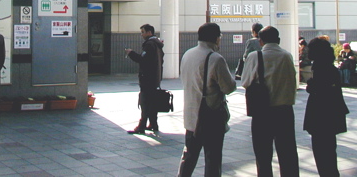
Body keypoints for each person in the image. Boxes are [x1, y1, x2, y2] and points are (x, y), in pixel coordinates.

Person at [177, 22, 236, 176]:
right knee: (212, 159)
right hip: (210, 116)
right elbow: (229, 87)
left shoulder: (187, 54)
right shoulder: (215, 59)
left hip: (191, 116)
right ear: (216, 38)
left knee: (189, 156)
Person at [241, 26, 299, 177]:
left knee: (263, 155)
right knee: (288, 154)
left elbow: (245, 82)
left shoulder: (255, 56)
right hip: (284, 111)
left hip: (262, 111)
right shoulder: (287, 56)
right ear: (278, 40)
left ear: (260, 41)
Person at [303, 37, 349, 177]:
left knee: (322, 153)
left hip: (321, 117)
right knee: (328, 152)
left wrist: (311, 85)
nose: (307, 51)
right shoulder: (328, 66)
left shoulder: (321, 68)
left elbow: (321, 90)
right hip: (329, 116)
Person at [124, 24, 164, 134]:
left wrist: (131, 53)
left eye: (143, 32)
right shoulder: (157, 44)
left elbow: (142, 59)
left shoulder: (150, 44)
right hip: (155, 77)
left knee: (145, 102)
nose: (141, 34)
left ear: (149, 32)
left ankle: (141, 126)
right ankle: (153, 124)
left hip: (147, 78)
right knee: (152, 101)